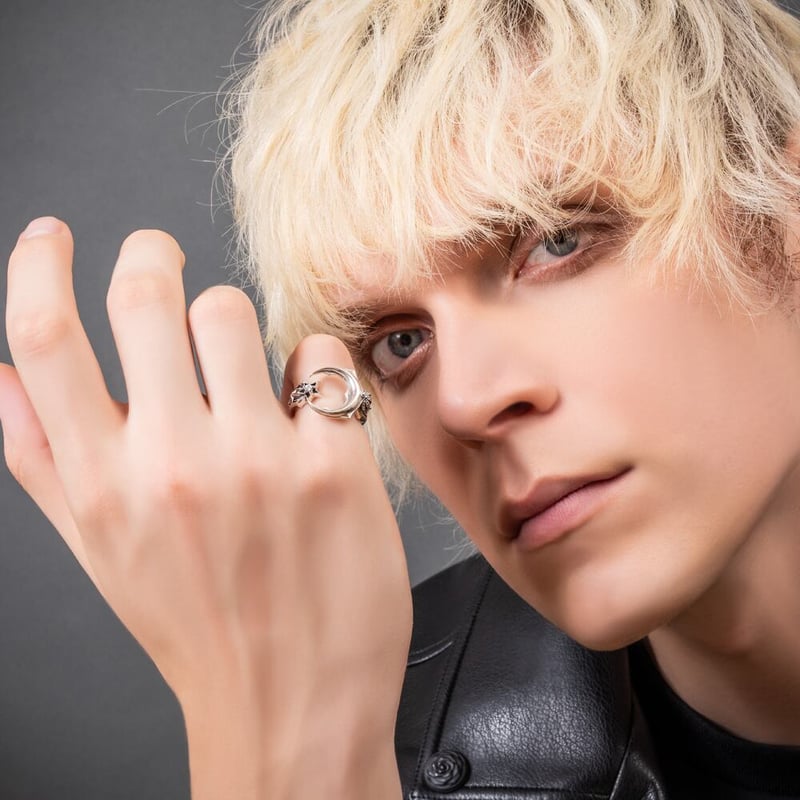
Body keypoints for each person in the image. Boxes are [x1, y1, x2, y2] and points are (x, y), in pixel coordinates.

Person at [2, 0, 800, 797]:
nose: (465, 402)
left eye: (557, 241)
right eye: (401, 342)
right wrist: (289, 755)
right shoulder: (364, 741)